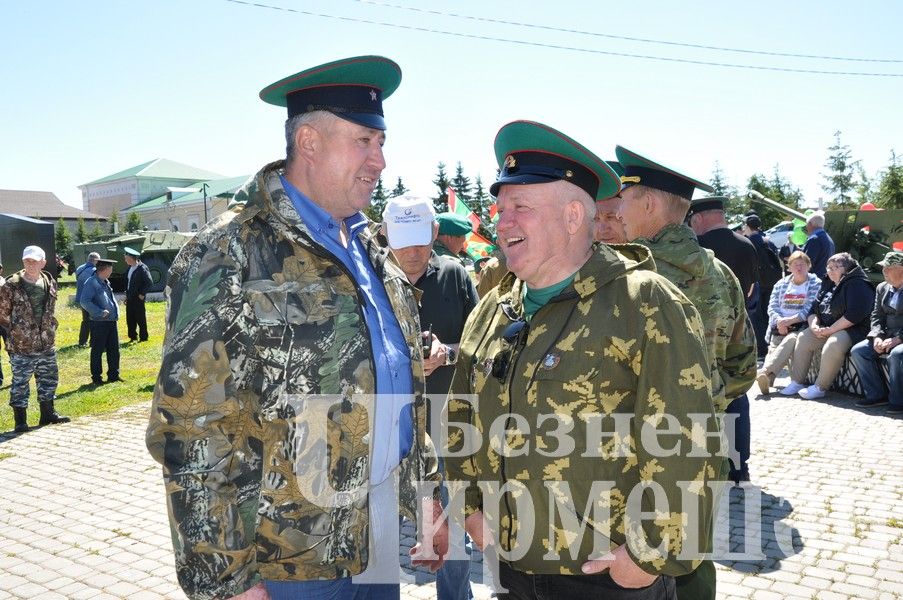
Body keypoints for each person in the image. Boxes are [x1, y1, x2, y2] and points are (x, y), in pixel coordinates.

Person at [146, 56, 445, 600]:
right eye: (365, 141)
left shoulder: (368, 250)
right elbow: (194, 428)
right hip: (287, 563)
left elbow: (396, 384)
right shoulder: (230, 252)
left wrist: (426, 496)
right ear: (308, 141)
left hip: (374, 535)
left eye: (381, 143)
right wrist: (224, 581)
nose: (381, 160)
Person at [445, 121, 720, 600]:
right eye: (500, 208)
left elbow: (687, 440)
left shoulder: (645, 303)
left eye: (520, 208)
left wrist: (647, 557)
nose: (500, 222)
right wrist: (469, 507)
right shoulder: (493, 309)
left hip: (602, 577)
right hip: (508, 568)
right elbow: (458, 418)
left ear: (574, 216)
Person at [614, 145, 756, 598]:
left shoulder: (628, 275)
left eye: (625, 198)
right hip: (704, 442)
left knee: (634, 561)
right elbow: (744, 365)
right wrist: (706, 401)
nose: (617, 208)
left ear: (650, 204)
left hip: (635, 452)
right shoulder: (722, 274)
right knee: (692, 557)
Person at [382, 195, 478, 600]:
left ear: (435, 233)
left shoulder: (455, 276)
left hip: (446, 426)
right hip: (392, 431)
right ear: (384, 236)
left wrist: (446, 354)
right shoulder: (371, 281)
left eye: (421, 241)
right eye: (401, 243)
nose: (413, 253)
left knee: (450, 528)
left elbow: (482, 348)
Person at [686, 195, 758, 489]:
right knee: (737, 395)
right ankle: (741, 467)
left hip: (703, 334)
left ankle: (715, 465)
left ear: (699, 218)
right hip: (737, 326)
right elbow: (751, 290)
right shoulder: (747, 244)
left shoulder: (698, 249)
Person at [780, 252, 874, 399]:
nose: (830, 270)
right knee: (804, 338)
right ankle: (797, 382)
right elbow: (813, 309)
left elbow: (854, 315)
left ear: (847, 269)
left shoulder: (858, 284)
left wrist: (830, 330)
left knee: (833, 343)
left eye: (836, 267)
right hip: (826, 327)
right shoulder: (827, 282)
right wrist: (814, 326)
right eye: (829, 267)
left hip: (853, 329)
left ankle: (820, 387)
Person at [0, 246, 68, 433]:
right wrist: (18, 331)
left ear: (43, 263)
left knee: (48, 379)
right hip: (22, 345)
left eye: (34, 261)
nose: (30, 264)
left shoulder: (49, 281)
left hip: (46, 342)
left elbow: (50, 310)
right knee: (20, 383)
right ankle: (20, 421)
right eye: (27, 261)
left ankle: (48, 414)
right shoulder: (11, 284)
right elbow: (3, 314)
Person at [755, 251, 821, 394]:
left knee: (791, 339)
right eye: (795, 265)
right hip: (779, 326)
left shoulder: (815, 283)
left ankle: (765, 372)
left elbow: (810, 308)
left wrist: (789, 321)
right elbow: (772, 306)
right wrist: (780, 321)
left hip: (800, 326)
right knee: (776, 346)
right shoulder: (781, 283)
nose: (799, 268)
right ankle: (768, 377)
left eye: (802, 265)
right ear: (789, 267)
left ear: (808, 266)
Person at [851, 250, 903, 414]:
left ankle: (898, 400)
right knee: (859, 351)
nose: (883, 272)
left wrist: (898, 339)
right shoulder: (882, 287)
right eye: (883, 268)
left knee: (896, 354)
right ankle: (876, 395)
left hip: (900, 336)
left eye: (888, 268)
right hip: (886, 334)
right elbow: (876, 316)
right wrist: (877, 337)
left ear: (901, 269)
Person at [742, 214, 784, 358]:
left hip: (757, 284)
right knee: (768, 315)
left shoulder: (748, 242)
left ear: (748, 226)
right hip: (772, 282)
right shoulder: (768, 240)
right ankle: (771, 346)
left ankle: (761, 349)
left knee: (756, 316)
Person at [80, 258, 122, 385]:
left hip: (111, 321)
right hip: (99, 322)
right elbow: (84, 301)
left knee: (114, 349)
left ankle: (114, 375)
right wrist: (99, 312)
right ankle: (97, 378)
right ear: (105, 269)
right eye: (110, 269)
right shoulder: (91, 282)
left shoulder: (105, 281)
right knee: (97, 350)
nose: (111, 271)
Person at [123, 247, 153, 342]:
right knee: (130, 318)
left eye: (126, 258)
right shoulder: (130, 268)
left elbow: (149, 282)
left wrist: (142, 294)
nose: (125, 260)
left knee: (140, 318)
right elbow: (128, 283)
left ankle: (143, 337)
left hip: (138, 297)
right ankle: (133, 337)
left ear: (131, 258)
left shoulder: (142, 268)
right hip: (130, 297)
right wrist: (127, 296)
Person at [75, 252, 101, 347]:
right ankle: (92, 342)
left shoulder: (79, 268)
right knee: (94, 320)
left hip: (81, 298)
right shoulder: (94, 270)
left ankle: (82, 341)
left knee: (85, 320)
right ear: (95, 260)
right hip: (91, 299)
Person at [801, 212, 835, 278]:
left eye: (807, 224)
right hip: (825, 278)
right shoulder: (829, 238)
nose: (806, 227)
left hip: (814, 281)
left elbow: (807, 262)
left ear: (810, 224)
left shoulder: (814, 239)